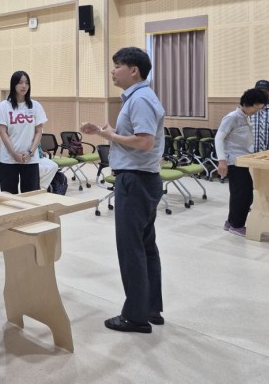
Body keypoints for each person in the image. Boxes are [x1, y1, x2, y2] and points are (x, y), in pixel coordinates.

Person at [80, 47, 165, 334]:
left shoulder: (140, 99)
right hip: (143, 178)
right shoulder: (140, 97)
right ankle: (150, 307)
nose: (113, 71)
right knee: (145, 246)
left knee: (132, 249)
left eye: (117, 66)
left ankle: (136, 317)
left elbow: (145, 142)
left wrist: (110, 135)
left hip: (136, 180)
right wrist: (104, 132)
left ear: (134, 70)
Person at [215, 88, 269, 237]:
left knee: (240, 193)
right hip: (234, 161)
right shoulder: (232, 117)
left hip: (243, 160)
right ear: (247, 103)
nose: (256, 111)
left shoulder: (246, 117)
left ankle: (230, 222)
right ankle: (237, 225)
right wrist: (222, 160)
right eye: (255, 108)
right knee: (243, 194)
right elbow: (219, 138)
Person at [0, 71, 47, 194]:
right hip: (8, 159)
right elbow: (2, 132)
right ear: (13, 85)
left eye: (27, 83)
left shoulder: (35, 106)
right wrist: (14, 154)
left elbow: (38, 132)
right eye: (20, 82)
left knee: (31, 195)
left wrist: (30, 152)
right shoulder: (4, 106)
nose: (24, 86)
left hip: (30, 159)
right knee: (9, 196)